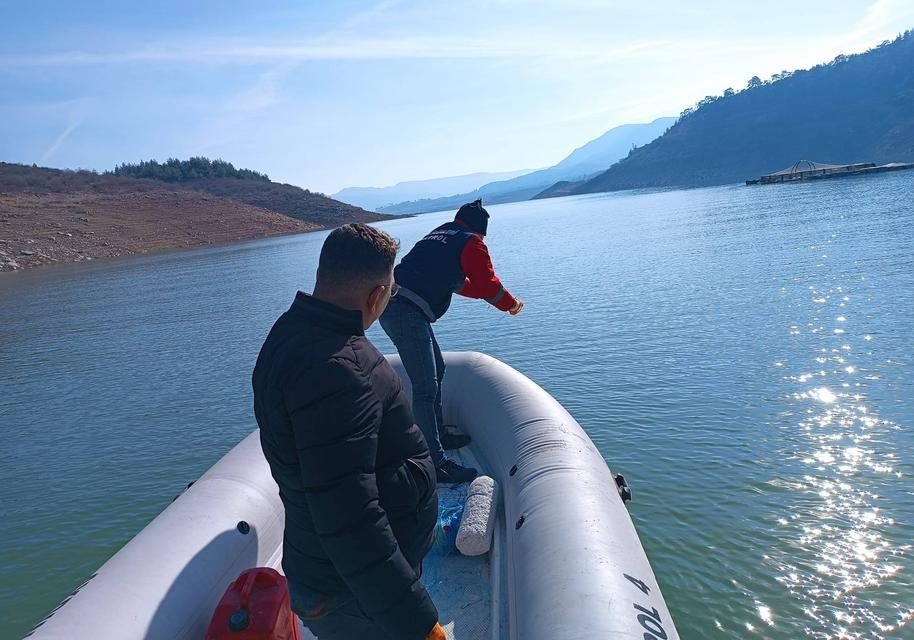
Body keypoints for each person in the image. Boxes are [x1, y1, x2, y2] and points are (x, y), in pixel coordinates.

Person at [252, 223, 446, 640]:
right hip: (353, 596)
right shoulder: (342, 372)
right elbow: (351, 518)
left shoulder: (287, 334)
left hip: (325, 575)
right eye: (391, 291)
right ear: (376, 294)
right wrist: (417, 623)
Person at [381, 199, 523, 485]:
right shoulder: (472, 242)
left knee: (438, 368)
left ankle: (440, 436)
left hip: (397, 306)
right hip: (406, 312)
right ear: (479, 230)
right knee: (424, 386)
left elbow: (458, 284)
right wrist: (510, 305)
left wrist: (487, 295)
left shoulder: (441, 235)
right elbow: (487, 284)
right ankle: (435, 462)